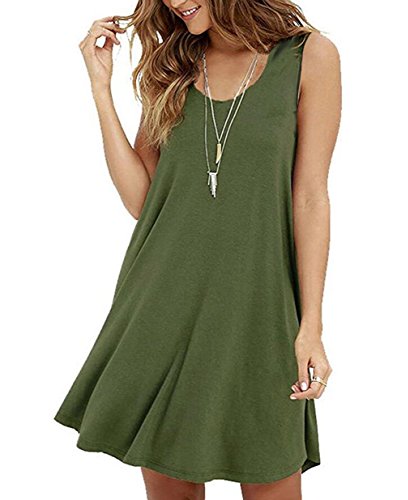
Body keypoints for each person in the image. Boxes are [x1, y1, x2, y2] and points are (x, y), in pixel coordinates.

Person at [54, 1, 341, 498]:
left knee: (272, 474)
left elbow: (311, 196)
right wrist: (101, 90)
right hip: (161, 307)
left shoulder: (308, 56)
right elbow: (143, 201)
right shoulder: (174, 65)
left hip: (259, 312)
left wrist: (310, 326)